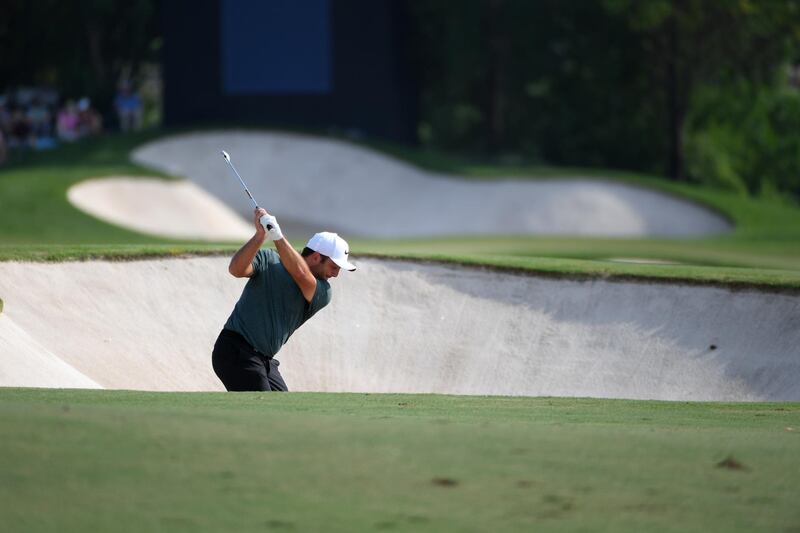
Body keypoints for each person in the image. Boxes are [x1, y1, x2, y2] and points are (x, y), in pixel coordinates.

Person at [212, 207, 356, 391]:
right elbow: (236, 270)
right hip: (235, 350)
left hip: (264, 360)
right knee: (265, 413)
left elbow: (301, 273)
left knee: (284, 410)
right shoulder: (269, 259)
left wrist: (277, 235)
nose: (335, 274)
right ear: (317, 257)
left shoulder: (323, 291)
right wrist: (259, 237)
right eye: (334, 267)